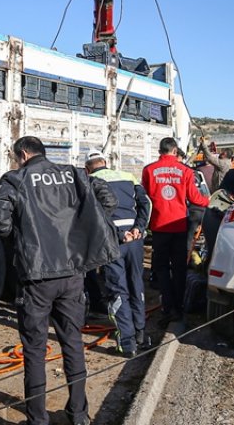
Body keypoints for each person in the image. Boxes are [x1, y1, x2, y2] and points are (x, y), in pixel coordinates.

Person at [0, 136, 119, 425]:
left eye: (15, 157)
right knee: (72, 342)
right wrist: (83, 228)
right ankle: (79, 414)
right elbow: (109, 199)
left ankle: (38, 419)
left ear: (22, 154)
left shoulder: (17, 179)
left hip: (36, 277)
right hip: (72, 274)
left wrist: (17, 238)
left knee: (34, 350)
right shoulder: (73, 173)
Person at [84, 151, 152, 356]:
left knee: (117, 291)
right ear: (106, 162)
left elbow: (93, 216)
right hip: (135, 240)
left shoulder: (90, 182)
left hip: (113, 242)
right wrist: (139, 228)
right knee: (136, 284)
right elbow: (146, 203)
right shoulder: (127, 176)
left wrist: (119, 234)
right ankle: (141, 334)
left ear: (88, 168)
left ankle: (127, 343)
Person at [141, 137, 209, 326]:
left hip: (159, 226)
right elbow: (195, 198)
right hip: (179, 226)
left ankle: (168, 306)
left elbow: (145, 198)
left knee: (161, 268)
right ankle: (178, 308)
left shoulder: (149, 170)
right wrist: (211, 201)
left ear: (160, 151)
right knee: (179, 268)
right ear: (174, 151)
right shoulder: (186, 171)